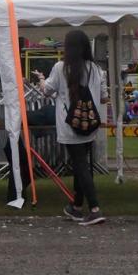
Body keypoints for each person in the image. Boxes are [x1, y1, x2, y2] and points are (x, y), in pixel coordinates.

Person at [34, 29, 108, 226]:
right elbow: (103, 97)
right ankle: (76, 206)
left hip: (69, 124)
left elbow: (47, 90)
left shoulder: (61, 68)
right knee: (82, 165)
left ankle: (94, 208)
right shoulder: (95, 68)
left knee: (80, 166)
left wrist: (41, 79)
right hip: (89, 122)